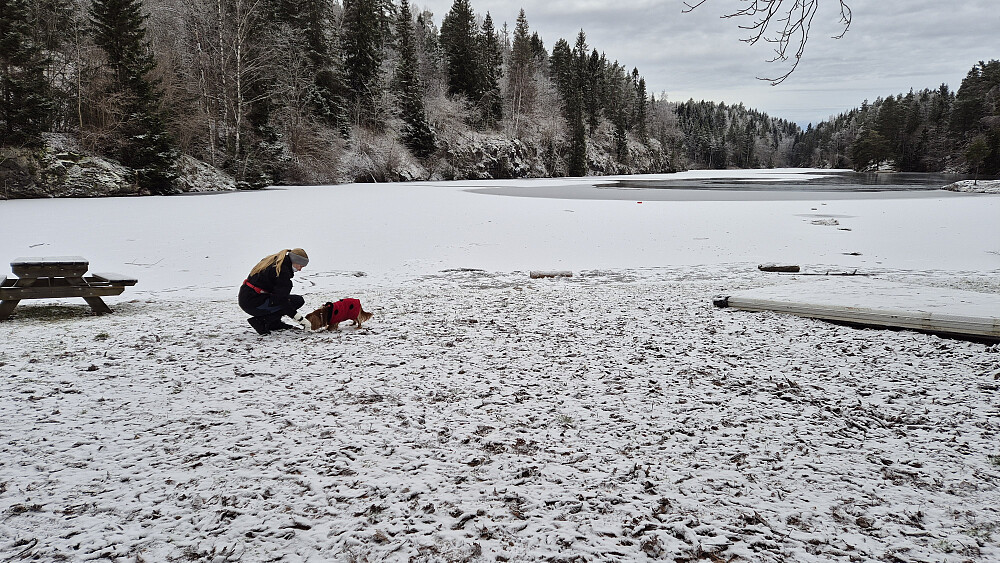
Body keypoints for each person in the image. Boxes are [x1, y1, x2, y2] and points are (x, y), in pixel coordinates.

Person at [239, 248, 309, 335]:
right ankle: (260, 321)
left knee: (284, 299)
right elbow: (282, 300)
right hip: (254, 303)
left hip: (247, 298)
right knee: (297, 301)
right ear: (295, 261)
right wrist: (299, 318)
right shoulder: (282, 272)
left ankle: (274, 324)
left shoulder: (274, 261)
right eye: (300, 266)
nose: (300, 269)